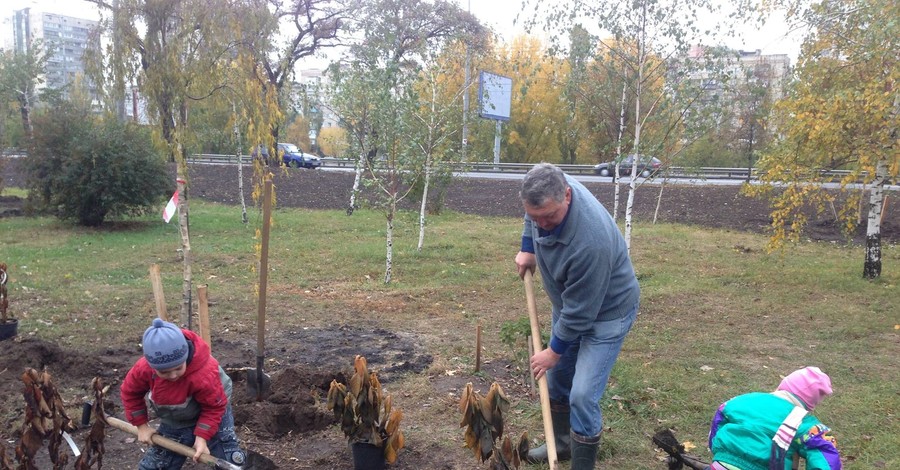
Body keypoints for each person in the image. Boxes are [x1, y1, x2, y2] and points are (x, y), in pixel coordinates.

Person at [515, 163, 640, 469]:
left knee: (582, 394)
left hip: (608, 313)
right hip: (571, 306)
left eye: (550, 217)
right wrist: (528, 247)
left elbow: (580, 314)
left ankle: (582, 465)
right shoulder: (546, 185)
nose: (542, 224)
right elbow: (534, 214)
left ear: (567, 196)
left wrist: (553, 352)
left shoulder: (590, 241)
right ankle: (561, 443)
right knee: (557, 380)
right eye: (536, 217)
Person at [121, 318, 246, 469]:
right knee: (158, 464)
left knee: (227, 457)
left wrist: (202, 437)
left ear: (185, 356)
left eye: (178, 368)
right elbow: (130, 392)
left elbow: (213, 407)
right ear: (152, 366)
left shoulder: (204, 373)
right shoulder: (143, 369)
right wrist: (141, 426)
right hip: (176, 416)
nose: (173, 375)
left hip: (214, 406)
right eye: (164, 372)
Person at [707, 366, 842, 470]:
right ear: (809, 405)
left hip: (722, 463)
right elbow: (824, 453)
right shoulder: (802, 423)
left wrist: (718, 450)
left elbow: (720, 417)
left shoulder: (743, 400)